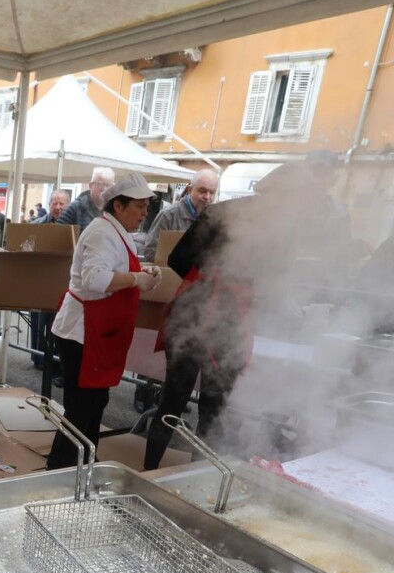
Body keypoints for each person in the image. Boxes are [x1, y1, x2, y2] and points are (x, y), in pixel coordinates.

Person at [143, 162, 333, 470]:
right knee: (212, 410)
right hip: (226, 320)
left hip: (190, 310)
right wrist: (230, 287)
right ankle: (193, 480)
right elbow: (274, 285)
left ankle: (149, 471)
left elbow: (178, 259)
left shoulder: (220, 212)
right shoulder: (283, 231)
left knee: (172, 401)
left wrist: (206, 280)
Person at [46, 173, 162, 470]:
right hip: (83, 332)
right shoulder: (102, 232)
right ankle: (63, 467)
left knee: (94, 404)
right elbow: (95, 278)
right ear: (119, 206)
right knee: (81, 409)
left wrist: (142, 272)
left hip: (96, 332)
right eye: (139, 207)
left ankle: (83, 464)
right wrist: (136, 278)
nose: (144, 214)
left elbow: (113, 267)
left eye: (146, 207)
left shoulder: (115, 231)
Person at [30, 189, 74, 370]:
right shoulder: (38, 225)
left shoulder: (74, 227)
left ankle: (56, 360)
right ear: (49, 205)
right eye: (54, 203)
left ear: (68, 205)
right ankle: (39, 358)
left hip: (66, 282)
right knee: (38, 322)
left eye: (61, 203)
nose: (57, 207)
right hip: (41, 280)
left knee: (59, 323)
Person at [139, 169, 219, 262]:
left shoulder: (215, 218)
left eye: (212, 192)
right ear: (190, 190)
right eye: (202, 191)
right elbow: (150, 252)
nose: (207, 197)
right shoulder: (169, 215)